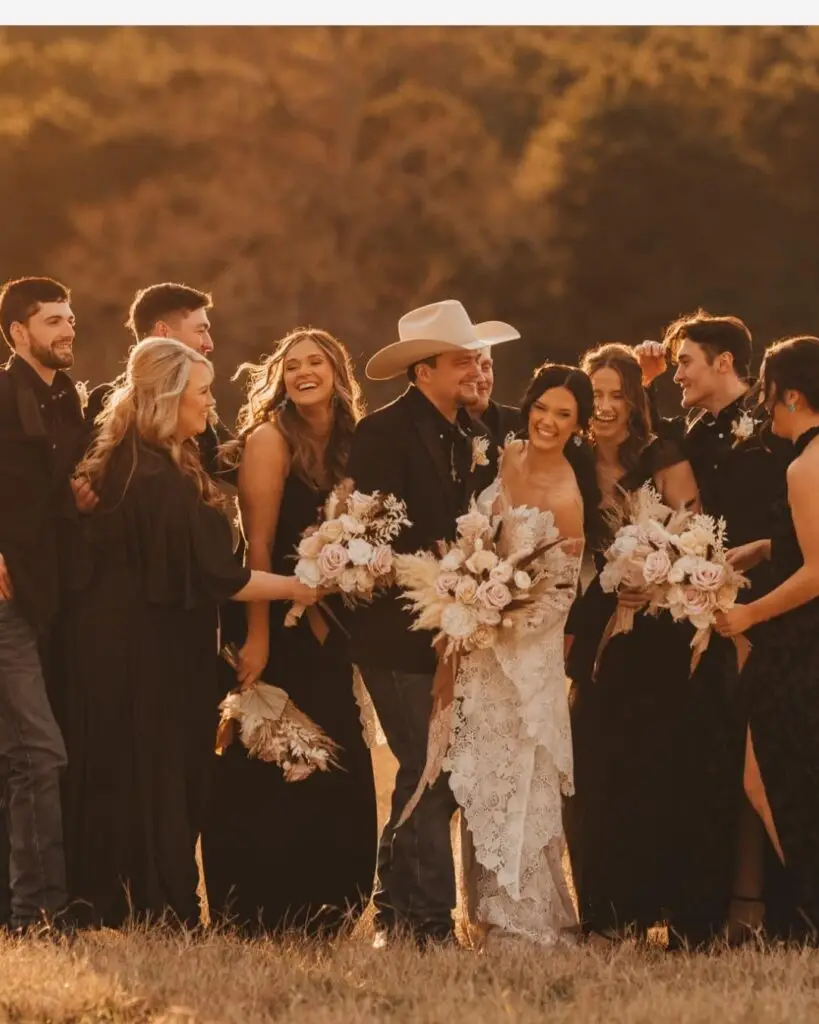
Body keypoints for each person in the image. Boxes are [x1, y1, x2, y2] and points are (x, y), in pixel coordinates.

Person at [51, 338, 317, 929]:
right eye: (201, 393)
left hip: (125, 647)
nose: (209, 403)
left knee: (135, 778)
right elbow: (221, 575)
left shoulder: (136, 456)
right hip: (149, 654)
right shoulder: (156, 478)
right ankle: (168, 907)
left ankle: (136, 901)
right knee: (165, 777)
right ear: (171, 398)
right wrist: (300, 588)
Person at [347, 298, 519, 948]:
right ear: (423, 372)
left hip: (460, 629)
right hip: (397, 634)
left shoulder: (476, 428)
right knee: (430, 770)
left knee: (431, 772)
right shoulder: (381, 433)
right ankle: (427, 924)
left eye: (478, 357)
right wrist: (445, 566)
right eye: (460, 358)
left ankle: (393, 910)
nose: (475, 367)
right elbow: (375, 533)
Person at [200, 327, 379, 937]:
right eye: (293, 364)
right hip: (274, 618)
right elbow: (260, 546)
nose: (305, 371)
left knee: (340, 757)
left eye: (317, 362)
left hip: (336, 628)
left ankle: (331, 906)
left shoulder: (356, 441)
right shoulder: (269, 440)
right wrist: (261, 639)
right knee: (271, 759)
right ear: (280, 376)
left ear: (337, 371)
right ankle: (257, 910)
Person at [564, 344, 740, 947]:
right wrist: (608, 593)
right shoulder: (573, 460)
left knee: (664, 767)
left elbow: (696, 534)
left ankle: (677, 913)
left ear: (637, 401)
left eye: (619, 394)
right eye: (598, 395)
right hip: (598, 636)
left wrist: (653, 574)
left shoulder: (662, 452)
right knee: (598, 767)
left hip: (662, 636)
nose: (606, 406)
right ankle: (611, 914)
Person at [638, 312, 799, 943]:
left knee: (764, 764)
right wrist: (648, 382)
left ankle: (776, 911)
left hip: (772, 619)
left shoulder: (776, 432)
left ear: (725, 363)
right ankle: (706, 913)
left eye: (685, 362)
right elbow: (647, 452)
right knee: (706, 764)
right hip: (698, 621)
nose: (678, 373)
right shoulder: (687, 435)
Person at [443, 362, 602, 948]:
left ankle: (525, 914)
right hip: (481, 646)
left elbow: (561, 591)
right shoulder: (503, 457)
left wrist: (506, 613)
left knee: (524, 775)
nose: (549, 422)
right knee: (481, 775)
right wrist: (472, 600)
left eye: (565, 415)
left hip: (527, 653)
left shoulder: (568, 492)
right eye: (543, 408)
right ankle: (481, 910)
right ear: (528, 405)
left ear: (579, 425)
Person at [716, 335, 819, 937]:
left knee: (768, 776)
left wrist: (750, 617)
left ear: (794, 395)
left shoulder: (805, 464)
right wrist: (764, 546)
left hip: (800, 643)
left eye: (769, 391)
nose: (762, 401)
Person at [0, 276, 91, 932]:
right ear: (16, 333)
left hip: (52, 600)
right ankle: (41, 914)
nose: (67, 330)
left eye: (70, 318)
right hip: (6, 604)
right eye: (53, 320)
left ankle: (24, 912)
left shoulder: (70, 401)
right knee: (39, 753)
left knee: (24, 755)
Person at [85, 282, 233, 482]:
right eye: (200, 331)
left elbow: (236, 462)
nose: (209, 344)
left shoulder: (197, 404)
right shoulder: (106, 404)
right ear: (163, 332)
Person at [464, 346, 520, 446]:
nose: (481, 378)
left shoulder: (521, 424)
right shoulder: (435, 429)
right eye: (468, 368)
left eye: (485, 367)